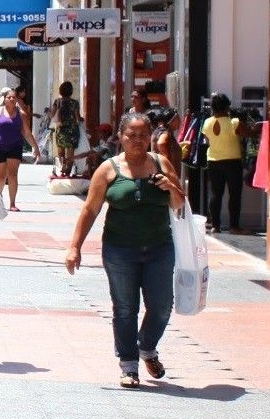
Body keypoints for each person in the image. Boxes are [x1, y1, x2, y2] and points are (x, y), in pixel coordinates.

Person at [64, 111, 187, 389]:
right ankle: (129, 365)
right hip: (120, 250)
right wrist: (75, 247)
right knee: (125, 308)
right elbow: (90, 210)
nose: (138, 140)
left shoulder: (161, 162)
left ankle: (147, 347)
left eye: (144, 135)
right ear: (121, 137)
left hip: (159, 248)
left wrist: (170, 187)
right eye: (132, 135)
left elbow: (180, 205)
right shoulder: (108, 170)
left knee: (162, 306)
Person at [0, 90, 37, 212]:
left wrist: (35, 148)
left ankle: (12, 203)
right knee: (0, 177)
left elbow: (26, 132)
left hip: (15, 146)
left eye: (14, 97)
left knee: (13, 175)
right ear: (4, 99)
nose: (12, 99)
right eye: (9, 97)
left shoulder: (21, 114)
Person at [202, 93, 250, 234]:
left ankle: (215, 225)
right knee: (234, 194)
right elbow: (250, 133)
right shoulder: (234, 122)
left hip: (213, 161)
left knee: (215, 194)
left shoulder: (207, 122)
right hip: (232, 162)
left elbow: (208, 141)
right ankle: (234, 226)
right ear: (227, 107)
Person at [47, 82, 83, 172]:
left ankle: (63, 166)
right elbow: (78, 118)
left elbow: (51, 115)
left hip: (61, 129)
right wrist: (81, 119)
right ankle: (68, 171)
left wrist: (48, 111)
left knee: (61, 152)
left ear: (60, 91)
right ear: (71, 91)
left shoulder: (57, 101)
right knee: (70, 153)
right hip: (72, 130)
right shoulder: (75, 103)